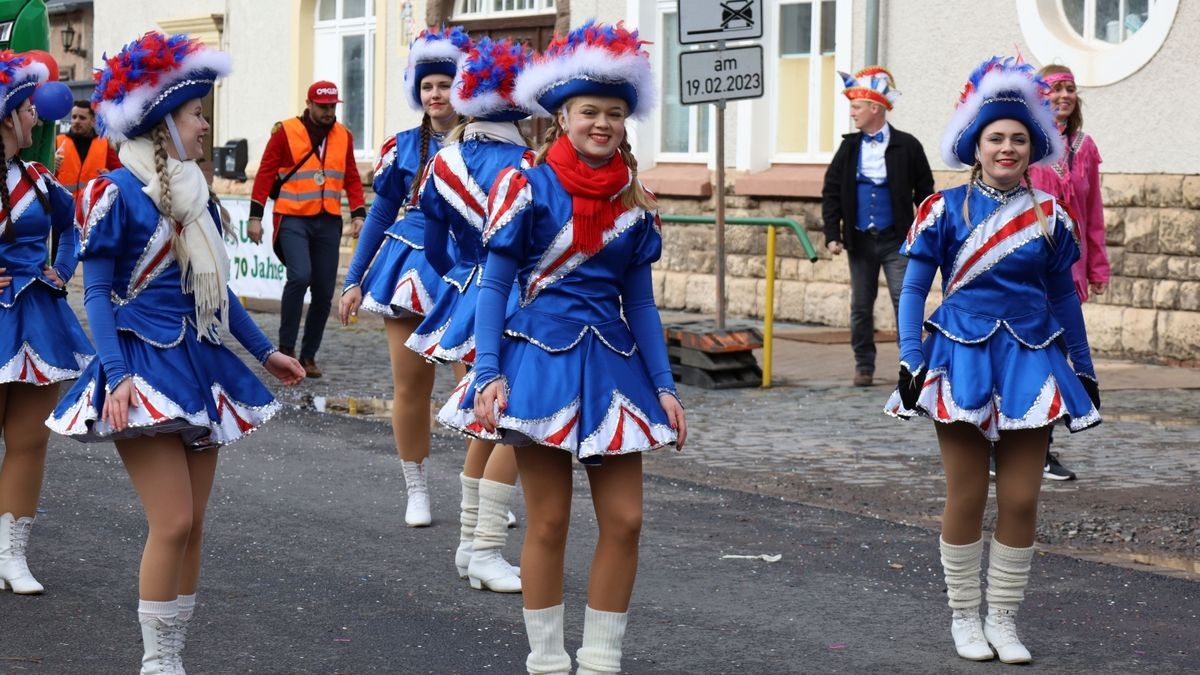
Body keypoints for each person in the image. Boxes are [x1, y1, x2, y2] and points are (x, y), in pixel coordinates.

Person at [46, 32, 305, 673]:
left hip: (199, 366)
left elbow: (217, 293)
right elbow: (98, 296)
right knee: (172, 520)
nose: (206, 123)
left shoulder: (197, 195)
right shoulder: (113, 193)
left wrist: (265, 351)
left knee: (193, 526)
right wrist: (113, 374)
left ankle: (174, 655)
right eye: (195, 113)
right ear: (164, 125)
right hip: (139, 367)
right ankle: (156, 662)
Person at [439, 21, 687, 674]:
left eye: (612, 113)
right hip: (537, 365)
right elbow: (493, 287)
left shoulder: (636, 202)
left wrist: (664, 385)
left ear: (625, 121)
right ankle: (547, 660)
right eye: (588, 112)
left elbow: (640, 302)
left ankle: (600, 660)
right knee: (547, 523)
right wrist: (487, 371)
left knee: (627, 520)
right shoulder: (526, 185)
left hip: (613, 372)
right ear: (562, 116)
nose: (601, 123)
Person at [885, 57, 1101, 664]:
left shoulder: (1051, 216)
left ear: (1034, 146)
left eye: (1018, 138)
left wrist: (1082, 367)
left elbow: (1064, 295)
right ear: (975, 144)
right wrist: (909, 358)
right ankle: (964, 618)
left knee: (1023, 497)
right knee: (965, 495)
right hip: (960, 358)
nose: (1007, 147)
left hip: (1032, 359)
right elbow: (911, 289)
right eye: (995, 137)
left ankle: (1003, 618)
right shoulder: (942, 210)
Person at [407, 36, 534, 592]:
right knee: (514, 417)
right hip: (520, 297)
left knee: (485, 418)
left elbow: (435, 250)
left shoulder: (444, 160)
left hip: (468, 294)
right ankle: (484, 548)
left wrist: (464, 277)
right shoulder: (529, 164)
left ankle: (468, 544)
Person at [338, 26, 472, 527]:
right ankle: (416, 488)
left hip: (468, 267)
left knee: (475, 382)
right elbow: (378, 214)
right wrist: (353, 280)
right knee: (411, 385)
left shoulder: (485, 142)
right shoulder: (402, 149)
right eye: (427, 86)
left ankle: (476, 486)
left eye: (445, 84)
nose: (436, 95)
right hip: (410, 267)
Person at [0, 51, 94, 595]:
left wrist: (62, 269)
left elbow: (73, 225)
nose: (39, 117)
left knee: (29, 440)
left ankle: (12, 555)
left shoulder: (38, 178)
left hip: (39, 316)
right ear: (9, 114)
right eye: (30, 108)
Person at [822, 67, 934, 387]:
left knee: (905, 298)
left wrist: (926, 232)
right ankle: (864, 364)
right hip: (859, 240)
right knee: (860, 304)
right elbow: (831, 193)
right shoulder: (848, 148)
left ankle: (910, 362)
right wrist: (833, 233)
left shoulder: (908, 146)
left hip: (897, 239)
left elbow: (926, 193)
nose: (852, 113)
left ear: (875, 108)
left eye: (856, 107)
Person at [247, 79, 367, 378]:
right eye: (322, 107)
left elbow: (351, 176)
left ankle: (308, 356)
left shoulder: (344, 136)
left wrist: (358, 213)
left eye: (332, 107)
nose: (328, 112)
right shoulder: (285, 132)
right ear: (309, 105)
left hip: (327, 220)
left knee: (325, 291)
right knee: (300, 275)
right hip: (292, 217)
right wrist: (255, 216)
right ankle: (285, 349)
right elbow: (264, 173)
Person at [1027, 64, 1110, 482]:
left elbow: (1092, 213)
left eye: (1070, 89)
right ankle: (997, 446)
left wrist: (1096, 267)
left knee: (1057, 358)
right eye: (1055, 89)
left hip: (1066, 272)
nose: (1064, 96)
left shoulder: (1084, 147)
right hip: (1024, 268)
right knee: (1020, 355)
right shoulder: (1026, 142)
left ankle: (1042, 451)